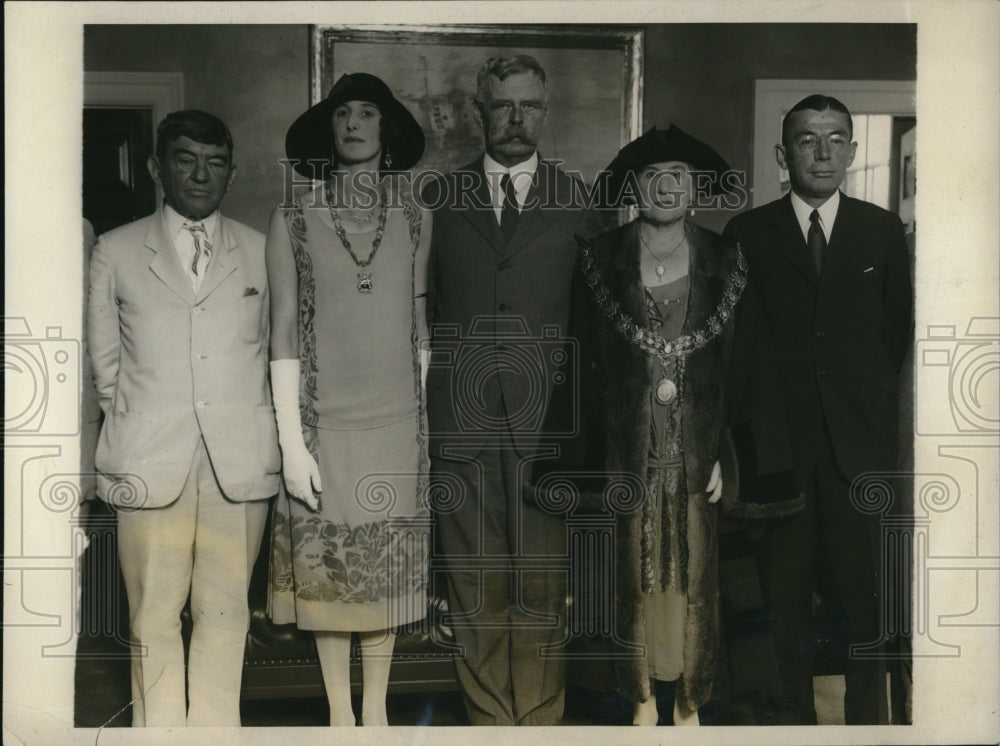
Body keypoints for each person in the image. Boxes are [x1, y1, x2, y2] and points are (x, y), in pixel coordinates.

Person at [723, 94, 913, 724]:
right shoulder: (748, 234)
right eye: (808, 139)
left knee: (866, 609)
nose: (824, 151)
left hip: (859, 456)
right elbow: (737, 356)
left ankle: (867, 730)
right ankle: (792, 732)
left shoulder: (882, 232)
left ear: (853, 152)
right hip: (780, 457)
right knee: (783, 613)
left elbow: (894, 337)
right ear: (784, 154)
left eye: (836, 139)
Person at [88, 110, 278, 726]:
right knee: (152, 619)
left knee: (225, 616)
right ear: (156, 168)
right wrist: (150, 425)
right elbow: (106, 369)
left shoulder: (261, 250)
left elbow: (275, 355)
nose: (201, 174)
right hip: (149, 460)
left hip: (237, 466)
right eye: (185, 159)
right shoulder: (114, 250)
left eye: (215, 161)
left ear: (230, 172)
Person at [422, 54, 594, 725]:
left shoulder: (580, 202)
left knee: (542, 593)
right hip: (460, 428)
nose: (516, 119)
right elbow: (423, 310)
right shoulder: (439, 199)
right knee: (474, 591)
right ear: (479, 113)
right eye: (502, 106)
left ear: (544, 112)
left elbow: (594, 320)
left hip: (547, 427)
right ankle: (492, 727)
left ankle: (541, 727)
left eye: (528, 106)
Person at [265, 72, 431, 727]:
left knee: (383, 581)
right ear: (330, 131)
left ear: (386, 130)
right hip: (321, 427)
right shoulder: (291, 219)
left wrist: (421, 424)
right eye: (342, 114)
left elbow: (419, 328)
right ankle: (340, 719)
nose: (354, 124)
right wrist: (290, 444)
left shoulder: (418, 219)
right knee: (330, 578)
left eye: (367, 113)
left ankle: (379, 715)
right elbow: (279, 334)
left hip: (394, 426)